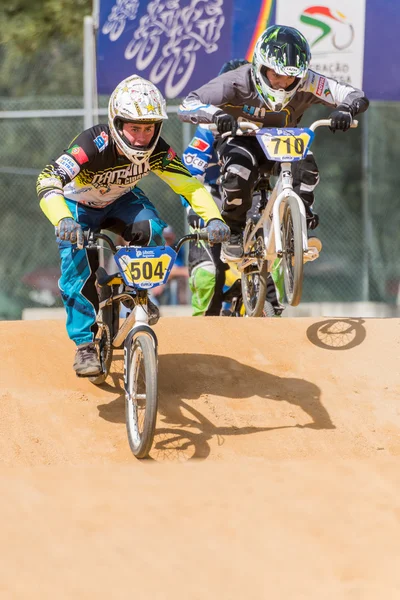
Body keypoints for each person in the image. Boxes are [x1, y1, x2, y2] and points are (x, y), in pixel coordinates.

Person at [36, 75, 229, 377]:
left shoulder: (158, 151)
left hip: (121, 200)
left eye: (148, 128)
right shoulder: (93, 143)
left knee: (153, 230)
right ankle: (85, 344)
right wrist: (63, 219)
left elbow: (190, 187)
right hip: (77, 207)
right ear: (116, 122)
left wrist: (214, 218)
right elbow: (47, 178)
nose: (141, 137)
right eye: (134, 128)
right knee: (77, 268)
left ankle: (137, 295)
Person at [178, 25, 369, 262]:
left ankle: (299, 224)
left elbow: (353, 94)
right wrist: (216, 116)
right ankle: (235, 232)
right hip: (241, 139)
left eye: (291, 77)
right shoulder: (237, 80)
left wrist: (346, 110)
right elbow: (189, 104)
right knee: (238, 171)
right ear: (260, 66)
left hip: (283, 141)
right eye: (276, 75)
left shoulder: (308, 81)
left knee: (306, 165)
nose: (282, 83)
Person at [181, 58, 284, 317]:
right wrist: (195, 208)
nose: (240, 107)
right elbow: (189, 170)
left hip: (255, 202)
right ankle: (204, 332)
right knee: (207, 275)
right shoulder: (209, 126)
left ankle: (277, 330)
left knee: (277, 267)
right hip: (214, 203)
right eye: (231, 100)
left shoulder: (271, 122)